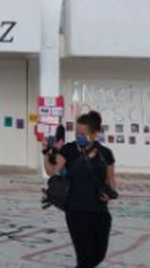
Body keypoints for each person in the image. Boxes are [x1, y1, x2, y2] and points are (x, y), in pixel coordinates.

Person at [44, 111, 118, 268]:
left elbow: (111, 181)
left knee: (98, 256)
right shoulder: (69, 150)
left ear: (95, 133)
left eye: (83, 133)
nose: (79, 136)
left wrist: (110, 193)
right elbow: (51, 170)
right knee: (85, 259)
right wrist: (47, 152)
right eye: (77, 132)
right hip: (76, 211)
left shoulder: (106, 154)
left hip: (100, 212)